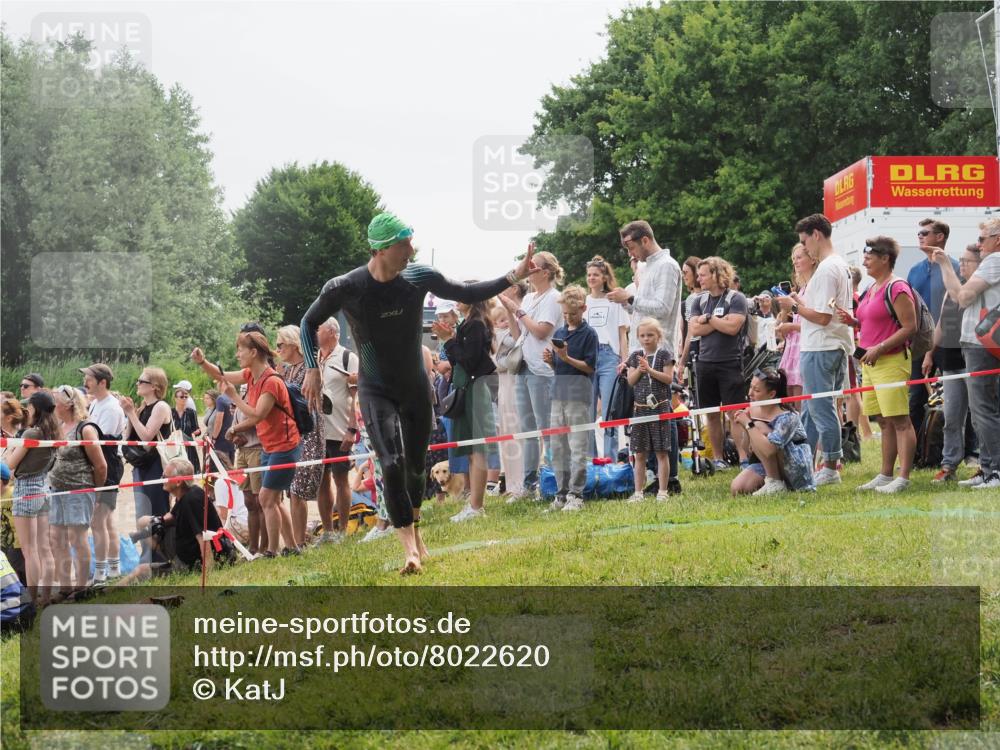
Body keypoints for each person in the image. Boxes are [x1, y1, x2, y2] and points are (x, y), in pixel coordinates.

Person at [299, 212, 536, 574]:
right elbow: (308, 322)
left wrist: (513, 275)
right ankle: (409, 548)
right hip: (375, 388)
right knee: (390, 463)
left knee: (414, 468)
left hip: (415, 388)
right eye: (403, 244)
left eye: (411, 242)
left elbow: (467, 292)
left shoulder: (418, 277)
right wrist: (313, 367)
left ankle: (416, 534)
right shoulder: (345, 287)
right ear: (379, 249)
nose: (411, 250)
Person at [192, 330, 301, 556]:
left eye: (240, 349)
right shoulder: (251, 374)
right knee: (274, 501)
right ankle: (292, 547)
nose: (237, 353)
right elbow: (223, 376)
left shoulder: (271, 381)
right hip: (270, 446)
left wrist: (233, 397)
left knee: (266, 498)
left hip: (285, 445)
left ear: (253, 352)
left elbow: (257, 414)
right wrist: (202, 362)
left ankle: (272, 550)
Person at [775, 214, 854, 486]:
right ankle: (806, 463)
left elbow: (822, 316)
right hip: (826, 344)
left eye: (804, 241)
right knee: (812, 408)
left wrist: (793, 307)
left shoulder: (828, 268)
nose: (804, 248)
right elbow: (826, 309)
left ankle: (831, 465)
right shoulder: (837, 265)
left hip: (822, 346)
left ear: (816, 235)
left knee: (821, 408)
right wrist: (799, 301)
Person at [836, 237, 917, 493]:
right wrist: (853, 321)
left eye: (869, 256)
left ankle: (902, 477)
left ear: (885, 258)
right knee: (883, 421)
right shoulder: (872, 288)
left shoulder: (898, 287)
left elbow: (910, 327)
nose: (864, 260)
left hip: (891, 361)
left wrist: (880, 348)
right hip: (869, 363)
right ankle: (885, 474)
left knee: (900, 420)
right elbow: (872, 322)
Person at [608, 221, 683, 483]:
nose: (630, 253)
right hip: (641, 348)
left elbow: (662, 308)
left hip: (660, 349)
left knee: (662, 411)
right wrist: (628, 305)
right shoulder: (647, 267)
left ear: (645, 240)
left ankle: (670, 477)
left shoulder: (667, 266)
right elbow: (643, 310)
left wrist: (629, 299)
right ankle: (653, 473)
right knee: (642, 409)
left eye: (630, 246)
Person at [934, 218, 1000, 489]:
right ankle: (987, 468)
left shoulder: (994, 261)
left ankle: (994, 471)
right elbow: (957, 294)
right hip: (981, 343)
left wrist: (946, 265)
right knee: (981, 409)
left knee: (983, 410)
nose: (978, 244)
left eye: (983, 238)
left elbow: (962, 297)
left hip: (981, 343)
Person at [497, 250, 563, 501]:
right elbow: (519, 334)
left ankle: (554, 482)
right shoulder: (529, 298)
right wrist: (512, 311)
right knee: (527, 429)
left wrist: (518, 310)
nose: (528, 270)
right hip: (523, 365)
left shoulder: (554, 298)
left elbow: (540, 331)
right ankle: (529, 483)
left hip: (542, 368)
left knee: (546, 427)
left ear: (545, 272)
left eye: (533, 267)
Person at [435, 295, 500, 521]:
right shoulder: (468, 323)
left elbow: (470, 360)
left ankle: (476, 506)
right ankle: (473, 503)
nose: (455, 299)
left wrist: (448, 340)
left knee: (477, 449)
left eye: (460, 295)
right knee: (471, 451)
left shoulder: (475, 324)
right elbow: (462, 359)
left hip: (475, 390)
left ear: (471, 300)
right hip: (467, 389)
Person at [923, 244, 982, 483]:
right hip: (950, 360)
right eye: (961, 260)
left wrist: (944, 263)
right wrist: (930, 353)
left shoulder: (977, 289)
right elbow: (940, 324)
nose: (963, 264)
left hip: (973, 359)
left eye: (968, 261)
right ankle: (949, 464)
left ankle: (985, 464)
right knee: (951, 416)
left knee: (980, 417)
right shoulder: (951, 289)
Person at [687, 257, 750, 470]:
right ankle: (718, 458)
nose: (699, 278)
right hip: (705, 363)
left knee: (735, 413)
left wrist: (709, 319)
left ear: (716, 274)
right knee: (711, 415)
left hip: (730, 362)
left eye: (703, 274)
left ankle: (743, 458)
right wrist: (717, 322)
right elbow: (695, 330)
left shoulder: (736, 298)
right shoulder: (698, 300)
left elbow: (733, 328)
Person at [540, 285, 598, 512]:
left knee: (577, 446)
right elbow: (560, 366)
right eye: (564, 313)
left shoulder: (589, 334)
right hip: (558, 394)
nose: (568, 317)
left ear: (583, 309)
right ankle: (561, 494)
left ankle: (576, 494)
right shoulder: (560, 333)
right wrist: (552, 361)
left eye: (572, 313)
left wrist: (566, 357)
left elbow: (590, 367)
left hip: (578, 395)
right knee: (558, 446)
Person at [48, 385, 107, 593]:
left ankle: (81, 588)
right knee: (56, 538)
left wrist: (96, 493)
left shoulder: (85, 428)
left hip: (79, 490)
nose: (52, 404)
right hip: (57, 489)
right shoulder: (59, 426)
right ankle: (65, 588)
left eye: (55, 400)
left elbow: (101, 466)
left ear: (68, 403)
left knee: (77, 539)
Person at [908, 218, 960, 432]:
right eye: (918, 233)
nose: (920, 236)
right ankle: (920, 449)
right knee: (915, 397)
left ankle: (965, 450)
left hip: (949, 341)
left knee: (955, 397)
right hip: (920, 343)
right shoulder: (914, 270)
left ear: (940, 237)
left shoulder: (954, 267)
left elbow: (957, 307)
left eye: (925, 233)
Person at [5, 391, 58, 600]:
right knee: (44, 549)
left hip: (26, 488)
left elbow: (9, 464)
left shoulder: (32, 434)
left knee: (30, 551)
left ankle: (33, 599)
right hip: (43, 487)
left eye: (30, 406)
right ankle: (45, 597)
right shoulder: (52, 431)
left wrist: (10, 451)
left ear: (36, 408)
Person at [730, 369, 816, 495]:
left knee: (758, 426)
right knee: (737, 488)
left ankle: (775, 482)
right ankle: (773, 481)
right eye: (751, 387)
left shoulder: (788, 416)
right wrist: (745, 426)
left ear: (771, 394)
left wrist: (750, 425)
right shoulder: (753, 410)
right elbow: (748, 450)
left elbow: (769, 450)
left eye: (757, 390)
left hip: (794, 466)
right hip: (765, 462)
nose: (750, 393)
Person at [276, 325, 325, 549]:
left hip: (309, 430)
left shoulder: (309, 368)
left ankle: (299, 541)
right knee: (292, 490)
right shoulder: (288, 370)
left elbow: (309, 399)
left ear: (294, 344)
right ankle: (296, 542)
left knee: (299, 489)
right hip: (293, 432)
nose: (278, 350)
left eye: (280, 345)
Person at [133, 458, 225, 575]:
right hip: (184, 552)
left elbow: (203, 538)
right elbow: (171, 516)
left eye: (165, 477)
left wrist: (208, 574)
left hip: (191, 564)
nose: (162, 479)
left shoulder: (191, 500)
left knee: (140, 570)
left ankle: (106, 591)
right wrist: (153, 522)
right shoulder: (186, 494)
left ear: (178, 482)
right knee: (147, 523)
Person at [81, 364, 126, 583]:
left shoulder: (110, 407)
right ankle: (113, 569)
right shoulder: (96, 404)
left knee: (99, 520)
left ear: (102, 382)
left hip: (107, 466)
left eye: (88, 378)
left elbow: (102, 445)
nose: (85, 382)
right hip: (102, 465)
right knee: (105, 521)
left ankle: (102, 572)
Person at [317, 317, 359, 542]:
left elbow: (355, 396)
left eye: (319, 328)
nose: (315, 331)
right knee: (321, 482)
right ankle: (328, 532)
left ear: (333, 332)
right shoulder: (315, 358)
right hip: (317, 432)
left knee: (341, 479)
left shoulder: (347, 357)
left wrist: (352, 429)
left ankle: (343, 530)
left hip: (340, 429)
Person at [584, 256, 630, 460]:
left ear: (604, 277)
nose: (591, 278)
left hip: (609, 356)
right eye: (589, 275)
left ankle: (610, 459)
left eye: (595, 274)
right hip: (587, 357)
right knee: (588, 411)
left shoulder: (614, 301)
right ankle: (591, 460)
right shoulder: (583, 302)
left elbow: (622, 334)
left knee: (610, 410)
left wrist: (625, 360)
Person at [625, 318, 676, 503]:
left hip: (660, 408)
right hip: (640, 410)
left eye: (650, 335)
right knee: (639, 453)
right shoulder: (635, 356)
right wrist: (640, 369)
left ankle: (663, 491)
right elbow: (630, 381)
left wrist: (650, 370)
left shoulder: (665, 355)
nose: (646, 339)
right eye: (642, 335)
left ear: (658, 336)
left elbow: (668, 379)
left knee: (662, 452)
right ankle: (638, 492)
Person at [120, 368, 173, 522]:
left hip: (156, 466)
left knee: (156, 510)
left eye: (141, 381)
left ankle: (160, 546)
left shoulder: (161, 407)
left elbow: (147, 437)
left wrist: (130, 413)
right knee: (141, 513)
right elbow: (127, 437)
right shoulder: (143, 406)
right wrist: (130, 413)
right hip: (142, 465)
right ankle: (146, 546)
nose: (137, 383)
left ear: (154, 386)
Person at [492, 284, 527, 497]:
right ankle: (511, 482)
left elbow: (518, 341)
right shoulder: (494, 333)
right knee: (507, 432)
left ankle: (521, 482)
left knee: (519, 432)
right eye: (501, 320)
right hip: (503, 383)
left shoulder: (524, 310)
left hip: (516, 379)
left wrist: (511, 316)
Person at [776, 243, 816, 408]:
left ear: (812, 259)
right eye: (793, 259)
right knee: (791, 402)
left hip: (804, 347)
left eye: (799, 257)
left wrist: (791, 328)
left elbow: (818, 322)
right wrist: (785, 310)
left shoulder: (815, 286)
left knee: (801, 404)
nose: (795, 262)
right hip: (793, 347)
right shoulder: (802, 289)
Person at [233, 383, 266, 554]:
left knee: (260, 500)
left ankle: (264, 546)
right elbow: (234, 427)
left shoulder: (257, 401)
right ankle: (253, 545)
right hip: (241, 454)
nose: (242, 393)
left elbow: (255, 421)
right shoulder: (239, 405)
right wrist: (236, 436)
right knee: (248, 501)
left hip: (256, 451)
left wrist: (234, 430)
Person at [171, 383, 201, 473]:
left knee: (189, 474)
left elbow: (198, 429)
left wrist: (194, 433)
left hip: (188, 447)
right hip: (174, 447)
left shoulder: (191, 412)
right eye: (181, 397)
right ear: (175, 399)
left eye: (186, 397)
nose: (184, 399)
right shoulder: (170, 412)